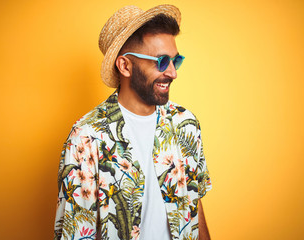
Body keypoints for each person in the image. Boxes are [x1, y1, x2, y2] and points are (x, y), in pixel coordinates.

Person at [54, 4, 212, 240]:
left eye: (175, 60)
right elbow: (76, 230)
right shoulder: (86, 137)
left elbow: (194, 203)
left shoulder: (185, 124)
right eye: (161, 61)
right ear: (125, 65)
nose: (172, 72)